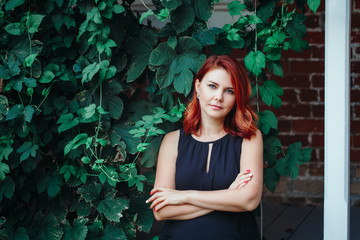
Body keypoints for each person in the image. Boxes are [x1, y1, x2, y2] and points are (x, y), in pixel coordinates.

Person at [146, 55, 263, 240]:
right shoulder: (172, 141)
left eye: (229, 91)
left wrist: (184, 196)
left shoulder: (249, 138)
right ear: (198, 87)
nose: (219, 97)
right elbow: (161, 211)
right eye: (212, 86)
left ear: (237, 97)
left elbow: (249, 200)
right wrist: (230, 196)